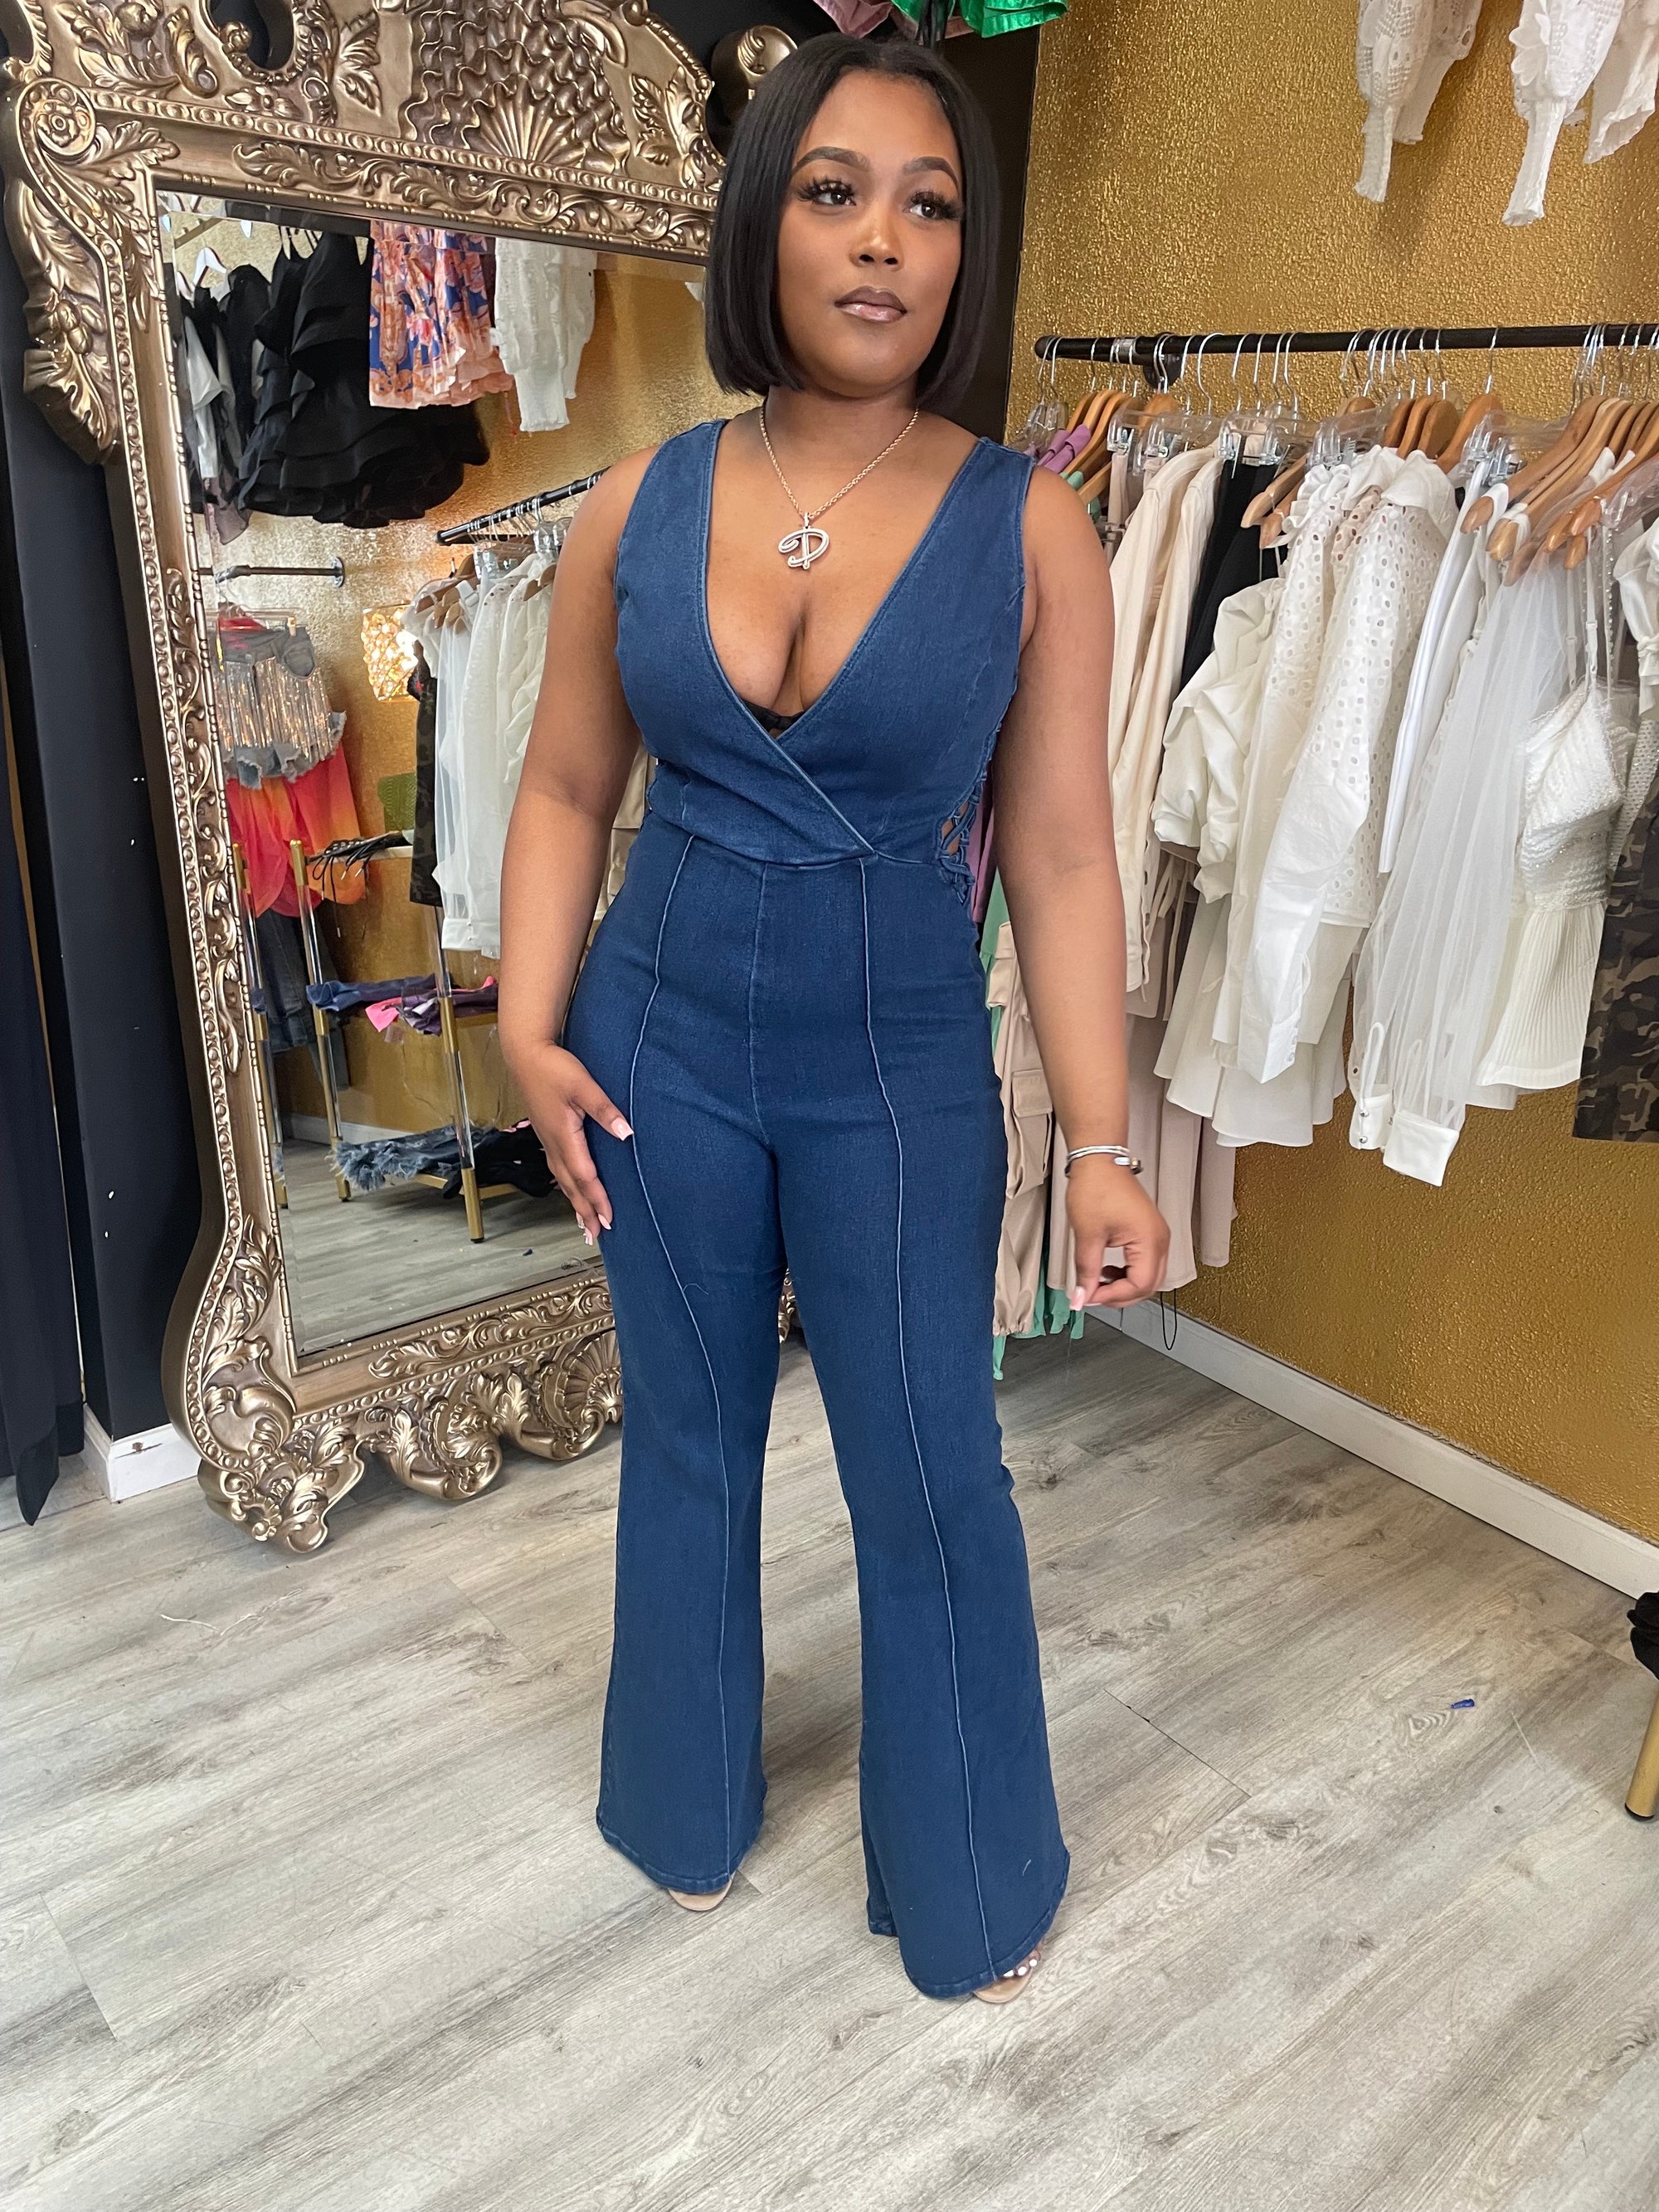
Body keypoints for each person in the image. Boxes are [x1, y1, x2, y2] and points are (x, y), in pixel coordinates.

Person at [499, 36, 1169, 2006]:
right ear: (763, 223)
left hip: (894, 1063)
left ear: (965, 253)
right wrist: (530, 1026)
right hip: (654, 1036)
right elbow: (563, 785)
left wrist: (1105, 1141)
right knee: (689, 1436)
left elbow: (1063, 856)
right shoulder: (638, 502)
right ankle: (678, 1802)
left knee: (929, 1466)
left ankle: (971, 1881)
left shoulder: (1032, 528)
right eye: (834, 191)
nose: (885, 240)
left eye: (929, 204)